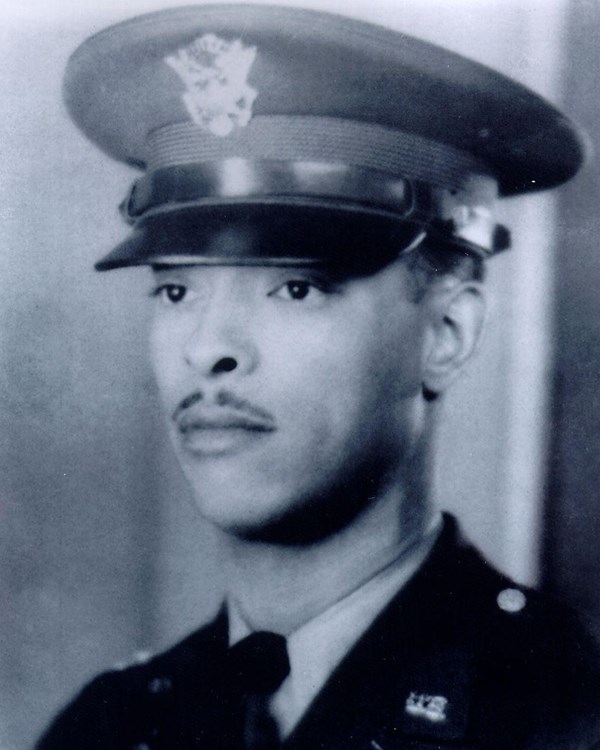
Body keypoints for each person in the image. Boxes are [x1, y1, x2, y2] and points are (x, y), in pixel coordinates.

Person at [37, 4, 600, 749]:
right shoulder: (109, 727)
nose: (208, 349)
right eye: (177, 290)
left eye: (296, 288)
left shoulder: (564, 715)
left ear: (448, 334)